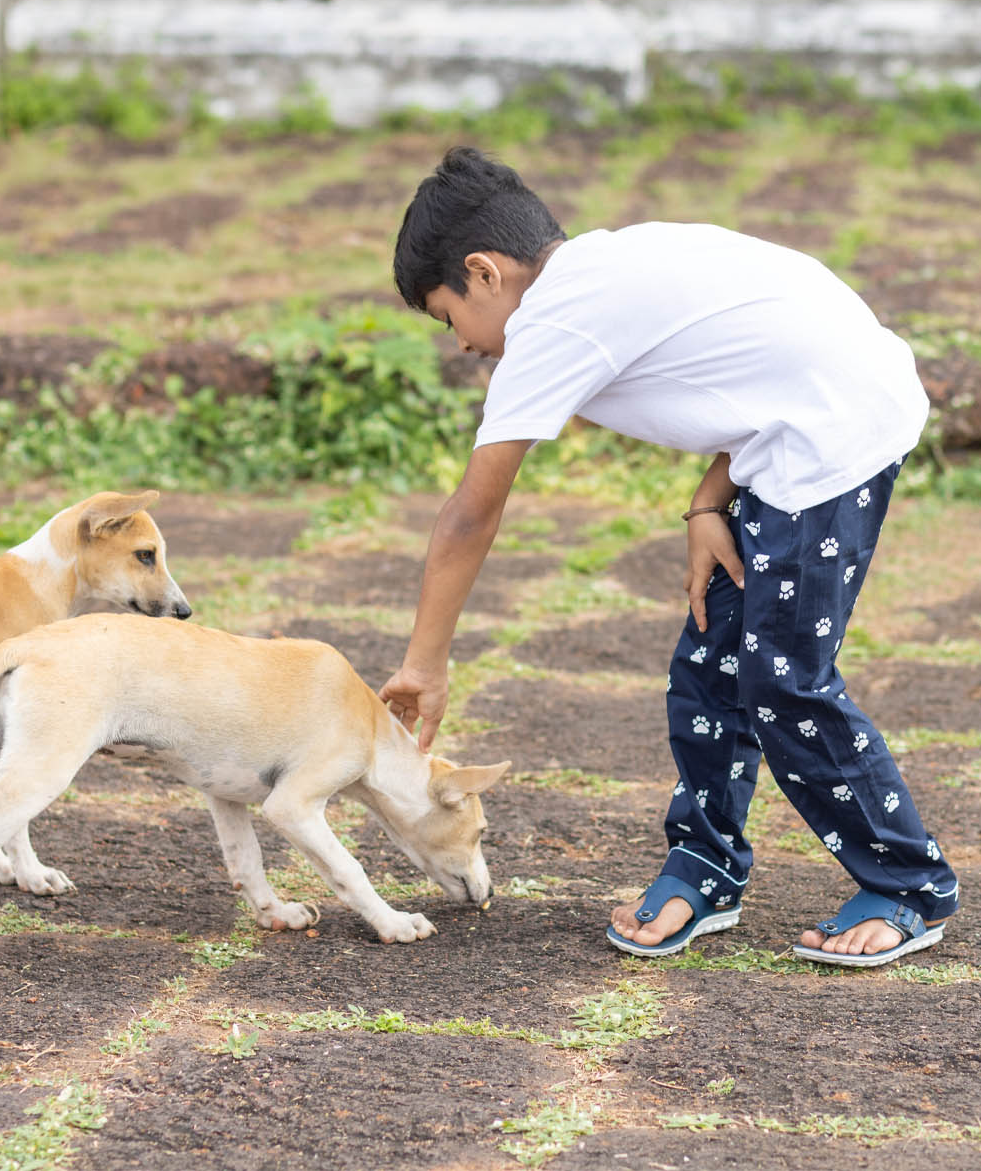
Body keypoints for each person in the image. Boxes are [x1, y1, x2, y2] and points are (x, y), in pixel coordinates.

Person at [379, 145, 958, 967]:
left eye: (448, 319)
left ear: (483, 273)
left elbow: (472, 515)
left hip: (832, 443)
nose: (466, 347)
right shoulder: (609, 264)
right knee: (708, 669)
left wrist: (426, 665)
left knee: (781, 681)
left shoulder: (550, 322)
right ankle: (706, 864)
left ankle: (908, 883)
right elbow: (763, 357)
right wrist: (709, 501)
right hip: (807, 417)